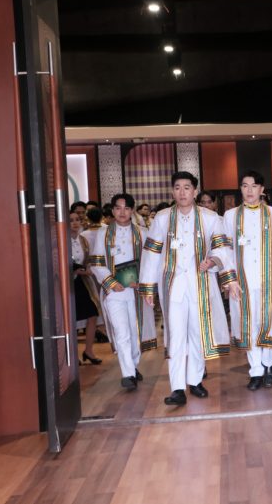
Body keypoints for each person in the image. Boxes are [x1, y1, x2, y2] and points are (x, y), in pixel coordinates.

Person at [138, 171, 233, 406]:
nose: (182, 192)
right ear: (173, 191)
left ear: (195, 191)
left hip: (200, 284)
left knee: (197, 334)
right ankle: (177, 388)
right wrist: (148, 288)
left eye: (187, 187)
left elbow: (222, 248)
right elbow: (151, 253)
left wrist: (213, 260)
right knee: (175, 335)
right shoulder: (162, 218)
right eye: (178, 187)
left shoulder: (210, 217)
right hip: (173, 286)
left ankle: (196, 380)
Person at [222, 170, 272, 391]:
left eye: (254, 186)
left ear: (262, 189)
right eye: (245, 186)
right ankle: (255, 371)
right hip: (241, 282)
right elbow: (225, 250)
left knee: (269, 322)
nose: (249, 190)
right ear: (240, 189)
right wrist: (230, 279)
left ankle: (269, 365)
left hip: (269, 280)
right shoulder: (230, 216)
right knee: (248, 326)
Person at [89, 193, 156, 391]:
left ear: (132, 210)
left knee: (135, 332)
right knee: (122, 332)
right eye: (118, 208)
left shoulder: (143, 232)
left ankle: (133, 366)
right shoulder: (103, 234)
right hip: (114, 292)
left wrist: (142, 280)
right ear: (112, 210)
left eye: (126, 208)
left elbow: (150, 261)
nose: (122, 212)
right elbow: (96, 263)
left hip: (136, 292)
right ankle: (127, 374)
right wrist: (110, 282)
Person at [69, 211, 101, 365]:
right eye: (71, 220)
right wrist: (76, 270)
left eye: (77, 220)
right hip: (68, 283)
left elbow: (88, 259)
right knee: (70, 317)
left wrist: (87, 268)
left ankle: (88, 350)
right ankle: (71, 354)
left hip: (83, 281)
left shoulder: (83, 240)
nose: (75, 223)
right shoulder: (61, 240)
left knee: (92, 314)